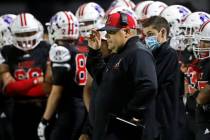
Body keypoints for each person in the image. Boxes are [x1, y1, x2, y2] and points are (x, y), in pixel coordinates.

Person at [87, 12, 158, 140]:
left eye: (111, 32)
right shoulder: (120, 53)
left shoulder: (138, 52)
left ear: (126, 32)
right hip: (109, 130)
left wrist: (125, 115)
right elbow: (102, 80)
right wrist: (94, 51)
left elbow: (148, 86)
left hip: (122, 133)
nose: (107, 36)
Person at [0, 13, 52, 140]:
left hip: (42, 108)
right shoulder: (7, 51)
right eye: (21, 34)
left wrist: (20, 87)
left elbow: (48, 87)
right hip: (18, 111)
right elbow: (9, 89)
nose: (25, 38)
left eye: (29, 33)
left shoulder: (47, 48)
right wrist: (36, 80)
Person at [37, 11, 87, 140]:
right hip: (82, 107)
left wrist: (45, 119)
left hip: (69, 110)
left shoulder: (60, 51)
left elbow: (56, 91)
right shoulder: (78, 51)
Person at [142, 16, 180, 140]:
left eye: (150, 34)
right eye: (146, 35)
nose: (147, 39)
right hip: (153, 120)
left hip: (164, 122)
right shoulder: (153, 54)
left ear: (163, 32)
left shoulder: (170, 54)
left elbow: (150, 81)